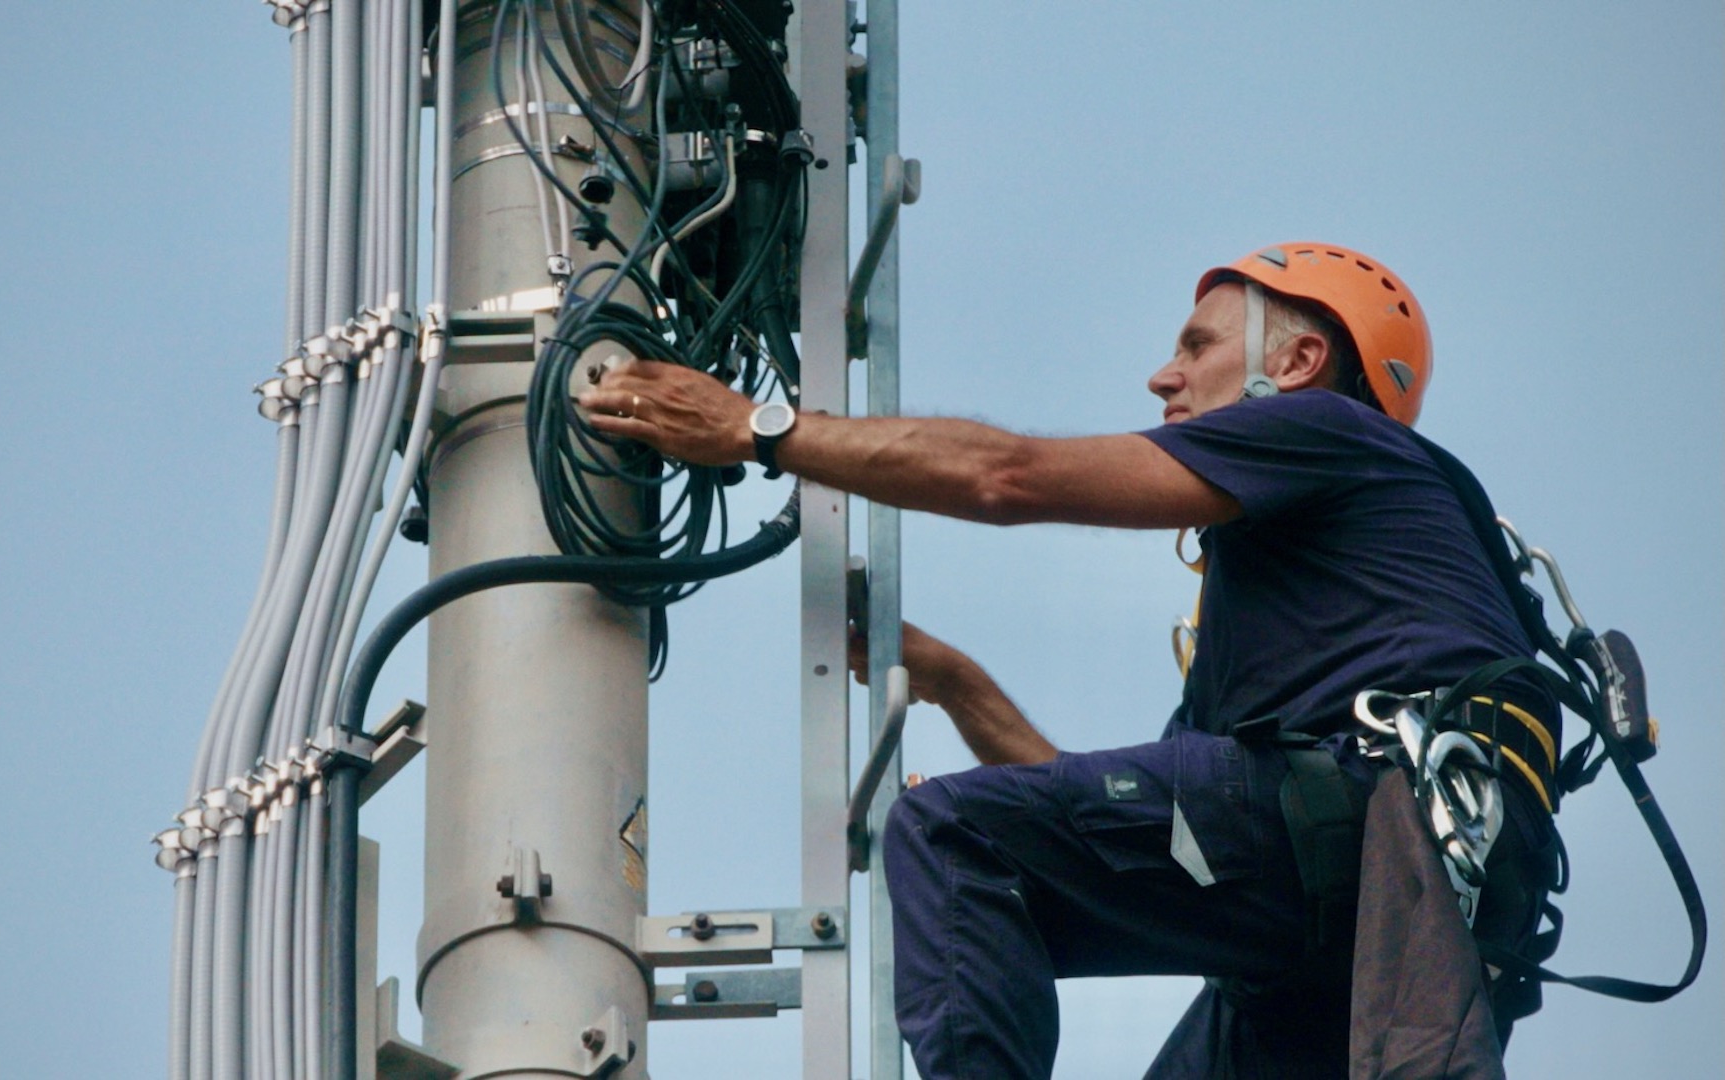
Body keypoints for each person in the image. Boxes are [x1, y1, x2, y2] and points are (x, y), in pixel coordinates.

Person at [582, 242, 1557, 1078]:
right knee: (995, 841)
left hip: (1353, 827)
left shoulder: (1323, 428)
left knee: (951, 833)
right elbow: (1122, 833)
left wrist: (759, 430)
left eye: (1197, 345)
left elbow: (1010, 478)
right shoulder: (1310, 618)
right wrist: (954, 681)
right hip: (1371, 910)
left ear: (1299, 361)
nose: (1163, 377)